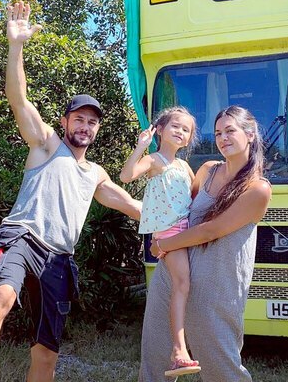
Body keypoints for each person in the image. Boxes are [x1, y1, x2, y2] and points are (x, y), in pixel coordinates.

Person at [0, 1, 142, 382]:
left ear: (96, 130)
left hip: (59, 258)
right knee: (3, 297)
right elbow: (18, 99)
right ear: (65, 121)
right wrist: (16, 46)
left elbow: (133, 206)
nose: (86, 127)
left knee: (46, 353)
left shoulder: (95, 174)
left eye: (92, 123)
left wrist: (193, 214)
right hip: (22, 237)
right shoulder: (45, 143)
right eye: (79, 119)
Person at [139, 105, 272, 382]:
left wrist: (164, 244)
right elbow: (180, 212)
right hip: (174, 274)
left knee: (220, 366)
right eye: (218, 133)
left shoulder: (258, 188)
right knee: (154, 358)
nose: (222, 138)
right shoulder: (208, 170)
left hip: (217, 286)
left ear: (249, 134)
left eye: (230, 131)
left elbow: (211, 230)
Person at [120, 107, 200, 377]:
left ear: (189, 139)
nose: (180, 131)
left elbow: (195, 196)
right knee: (182, 284)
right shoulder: (154, 160)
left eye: (186, 129)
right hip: (169, 232)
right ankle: (179, 351)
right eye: (175, 126)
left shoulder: (185, 166)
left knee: (184, 285)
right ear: (161, 130)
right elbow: (126, 175)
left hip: (185, 230)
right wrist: (140, 147)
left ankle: (182, 346)